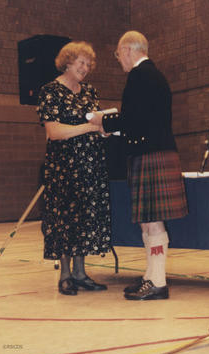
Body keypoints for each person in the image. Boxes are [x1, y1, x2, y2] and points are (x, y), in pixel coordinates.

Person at [90, 31, 188, 300]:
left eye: (118, 54)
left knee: (153, 222)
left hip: (151, 154)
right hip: (151, 152)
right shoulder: (150, 74)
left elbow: (134, 118)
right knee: (148, 222)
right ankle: (150, 276)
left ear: (128, 50)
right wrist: (114, 127)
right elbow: (141, 119)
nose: (119, 59)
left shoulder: (140, 74)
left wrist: (104, 123)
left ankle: (158, 282)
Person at [37, 41, 111, 295]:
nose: (86, 68)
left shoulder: (89, 91)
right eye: (81, 62)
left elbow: (97, 124)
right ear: (67, 62)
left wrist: (105, 128)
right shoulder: (50, 91)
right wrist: (90, 127)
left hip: (90, 166)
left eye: (89, 64)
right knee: (65, 219)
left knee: (85, 218)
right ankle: (65, 275)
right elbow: (54, 131)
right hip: (63, 167)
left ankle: (81, 273)